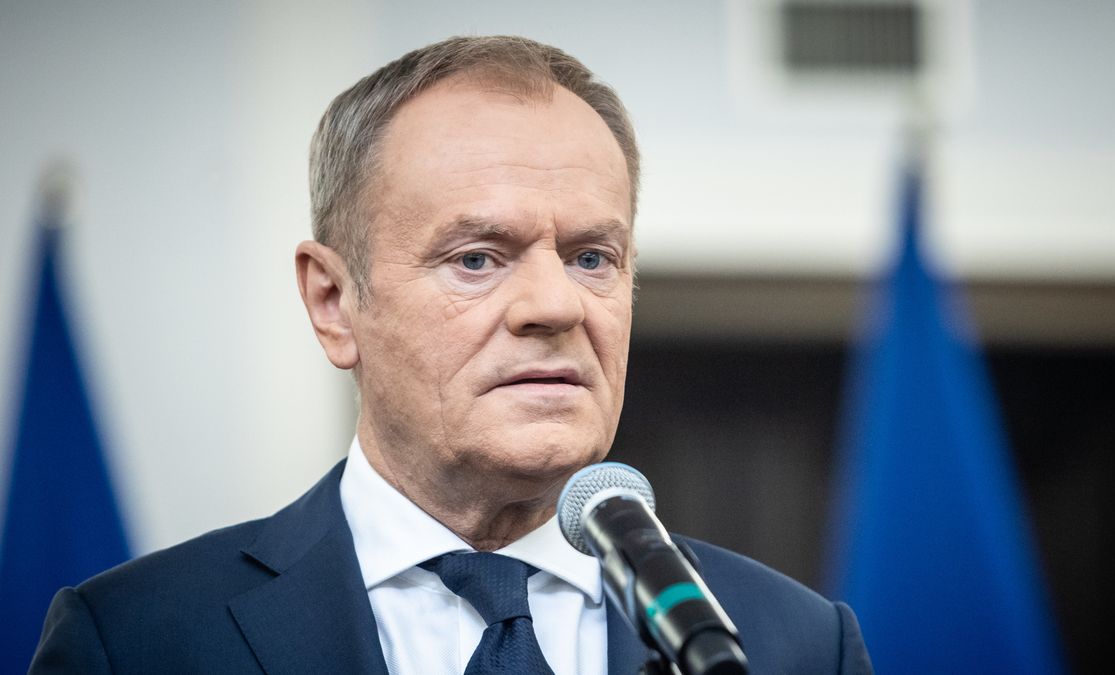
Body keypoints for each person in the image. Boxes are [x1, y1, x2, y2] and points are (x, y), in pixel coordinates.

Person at [29, 35, 872, 674]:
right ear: (333, 302)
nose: (554, 305)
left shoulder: (788, 641)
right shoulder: (140, 637)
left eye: (591, 258)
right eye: (476, 257)